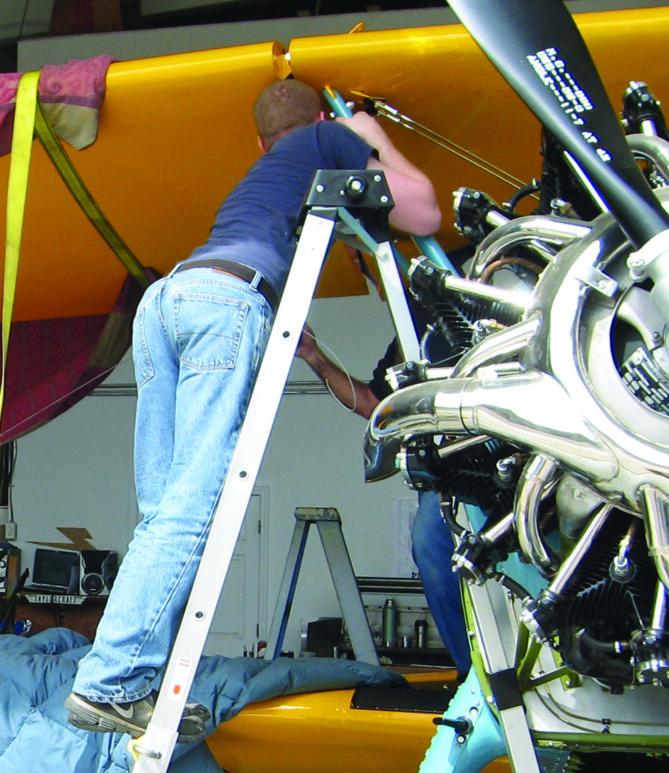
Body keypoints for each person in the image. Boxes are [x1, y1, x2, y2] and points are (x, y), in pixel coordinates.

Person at [64, 79, 441, 738]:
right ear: (319, 119)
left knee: (164, 513)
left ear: (260, 142)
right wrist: (369, 133)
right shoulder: (328, 138)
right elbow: (425, 214)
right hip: (225, 303)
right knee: (192, 510)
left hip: (167, 301)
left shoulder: (264, 173)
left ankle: (129, 680)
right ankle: (110, 684)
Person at [294, 329, 472, 676]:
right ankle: (473, 673)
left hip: (510, 456)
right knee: (429, 541)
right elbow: (372, 405)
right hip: (450, 474)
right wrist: (314, 357)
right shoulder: (411, 333)